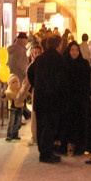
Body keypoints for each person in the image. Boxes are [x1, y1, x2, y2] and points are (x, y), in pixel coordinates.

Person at [27, 34, 67, 164]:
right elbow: (63, 81)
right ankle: (46, 154)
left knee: (42, 125)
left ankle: (43, 151)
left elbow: (30, 72)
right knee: (51, 126)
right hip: (53, 100)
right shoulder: (59, 60)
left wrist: (36, 85)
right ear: (58, 45)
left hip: (40, 98)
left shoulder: (40, 59)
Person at [62, 41, 91, 156]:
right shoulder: (64, 64)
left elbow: (87, 82)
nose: (74, 52)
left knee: (79, 124)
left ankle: (79, 146)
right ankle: (68, 145)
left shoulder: (84, 64)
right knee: (68, 124)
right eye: (72, 50)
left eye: (76, 50)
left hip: (80, 101)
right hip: (67, 101)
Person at [7, 32, 31, 120]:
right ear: (21, 40)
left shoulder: (10, 48)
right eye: (26, 39)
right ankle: (17, 122)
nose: (27, 41)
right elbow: (22, 67)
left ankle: (15, 120)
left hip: (11, 77)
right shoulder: (21, 50)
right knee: (19, 101)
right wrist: (28, 75)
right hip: (19, 80)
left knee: (13, 102)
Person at [26, 43, 43, 146]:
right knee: (34, 114)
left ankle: (37, 137)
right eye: (35, 52)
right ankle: (35, 136)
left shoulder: (39, 65)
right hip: (35, 92)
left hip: (39, 92)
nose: (37, 54)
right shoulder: (32, 66)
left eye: (38, 52)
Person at [5, 74, 30, 142]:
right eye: (13, 82)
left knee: (18, 122)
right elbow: (5, 97)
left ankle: (15, 134)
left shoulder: (20, 90)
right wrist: (3, 95)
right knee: (11, 122)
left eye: (17, 81)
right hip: (13, 108)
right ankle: (9, 135)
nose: (15, 83)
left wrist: (27, 96)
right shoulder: (9, 92)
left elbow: (25, 94)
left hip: (20, 108)